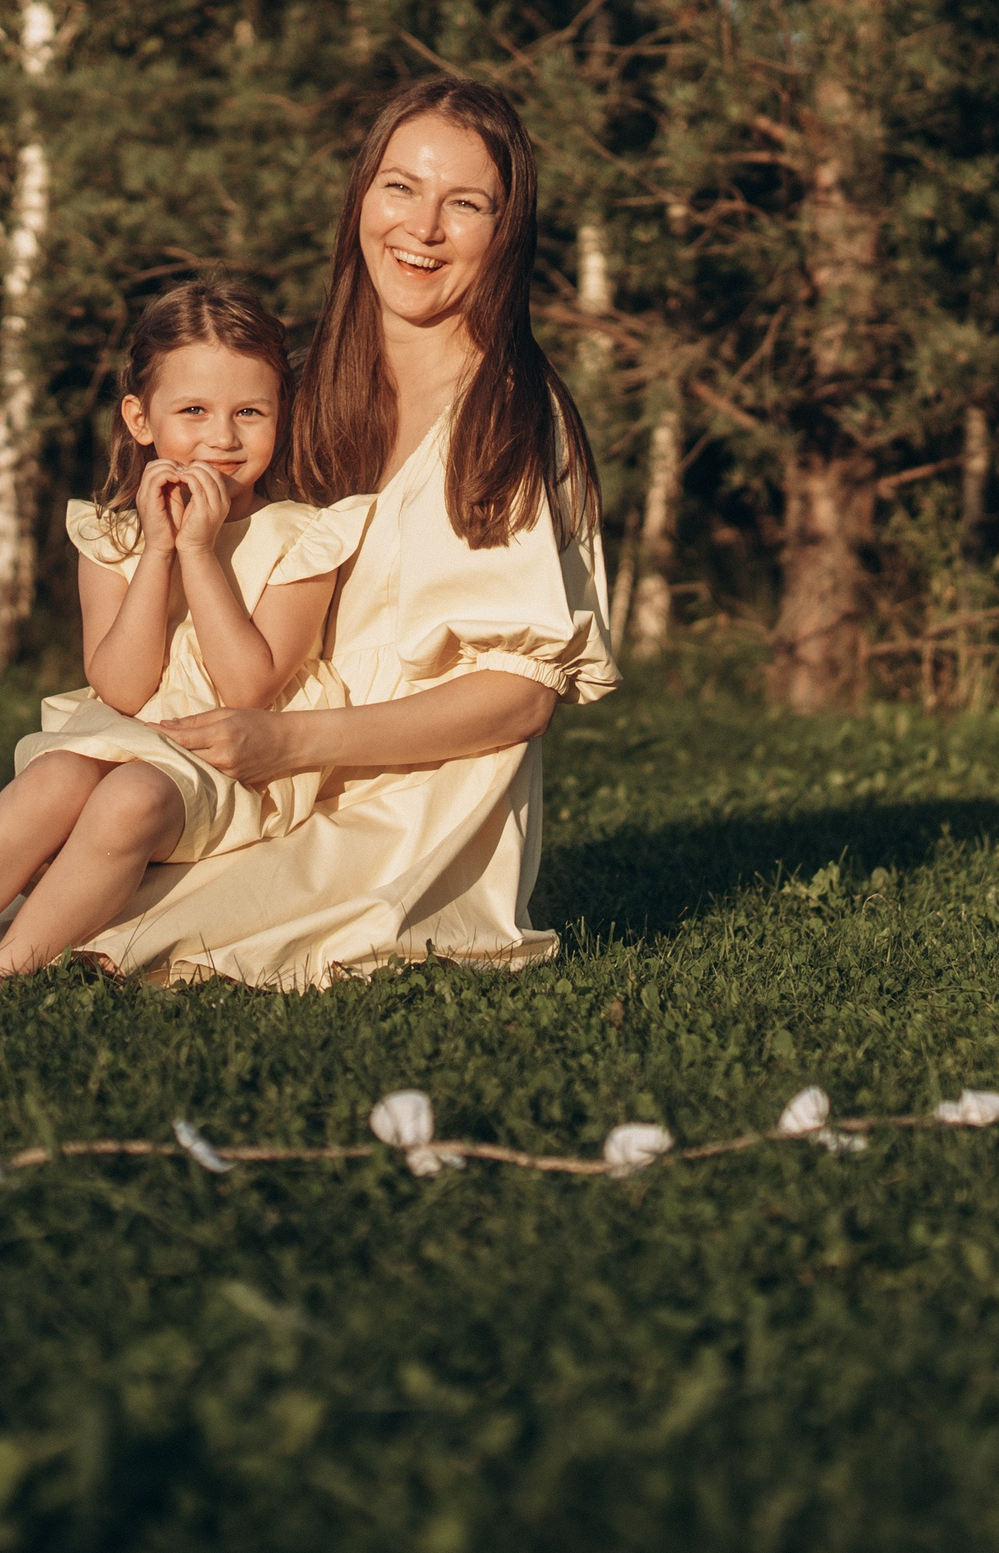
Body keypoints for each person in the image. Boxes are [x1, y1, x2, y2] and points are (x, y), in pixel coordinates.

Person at [74, 77, 618, 987]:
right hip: (260, 775)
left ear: (505, 230)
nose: (424, 228)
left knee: (134, 940)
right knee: (67, 867)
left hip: (408, 804)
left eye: (466, 204)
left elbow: (520, 700)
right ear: (361, 194)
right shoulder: (294, 388)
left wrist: (287, 744)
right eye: (400, 186)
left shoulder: (511, 421)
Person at [0, 283, 371, 983]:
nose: (223, 437)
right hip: (130, 737)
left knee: (130, 796)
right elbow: (122, 689)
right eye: (193, 411)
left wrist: (198, 552)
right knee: (54, 774)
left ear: (282, 417)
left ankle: (3, 972)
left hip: (229, 767)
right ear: (140, 418)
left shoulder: (301, 538)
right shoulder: (114, 539)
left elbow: (248, 686)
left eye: (250, 412)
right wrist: (158, 553)